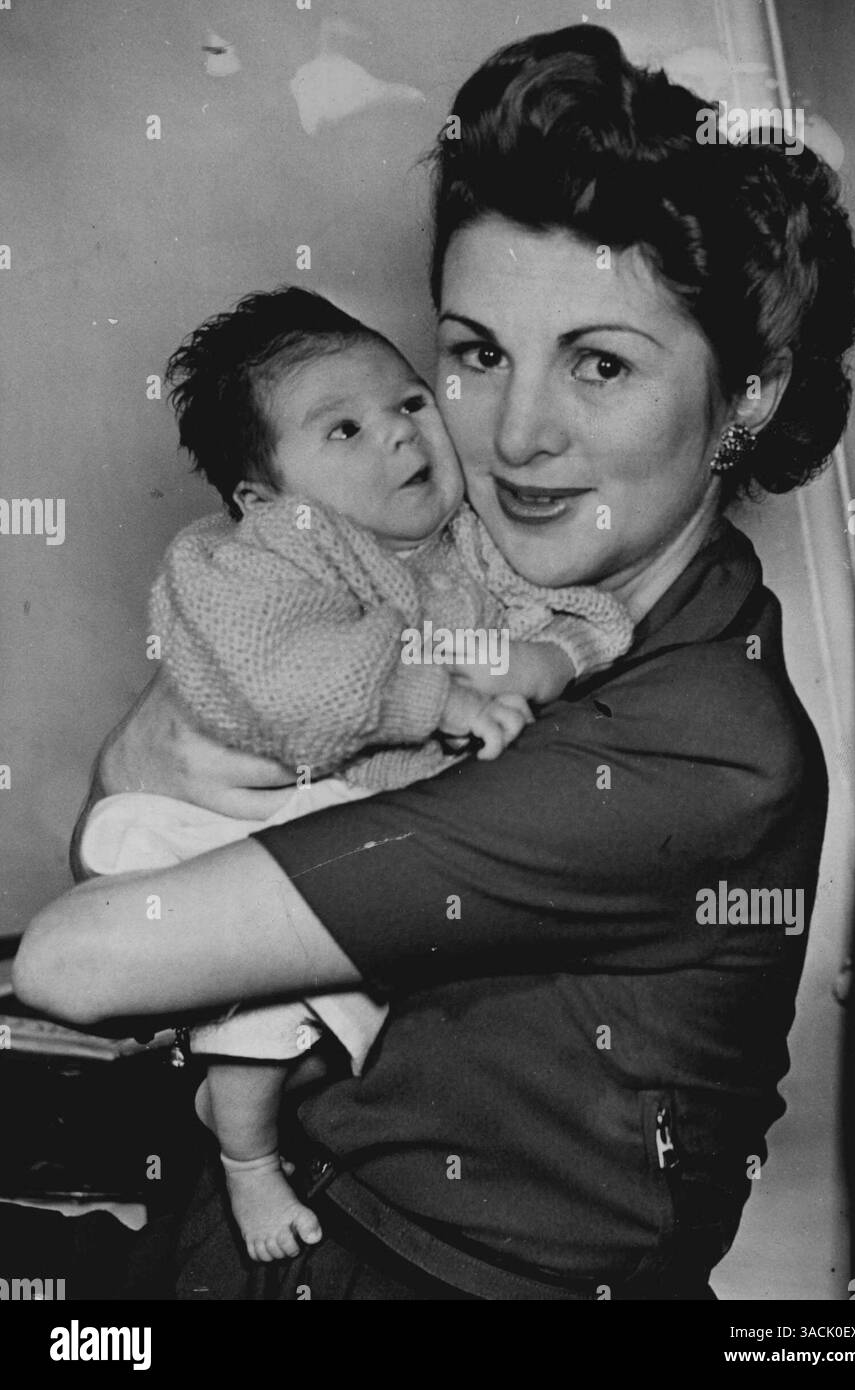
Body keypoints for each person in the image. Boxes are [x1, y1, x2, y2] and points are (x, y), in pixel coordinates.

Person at [14, 23, 855, 1299]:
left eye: (601, 363)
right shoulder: (462, 582)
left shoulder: (693, 743)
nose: (519, 435)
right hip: (255, 1227)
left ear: (745, 395)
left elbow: (74, 961)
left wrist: (139, 760)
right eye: (477, 353)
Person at [76, 283, 634, 1263]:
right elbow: (298, 684)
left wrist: (550, 659)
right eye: (344, 429)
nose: (399, 438)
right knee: (270, 990)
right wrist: (448, 700)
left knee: (350, 1007)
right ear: (264, 499)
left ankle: (228, 1094)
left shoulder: (472, 543)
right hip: (195, 823)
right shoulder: (249, 566)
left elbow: (580, 607)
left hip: (336, 827)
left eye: (411, 403)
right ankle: (247, 1162)